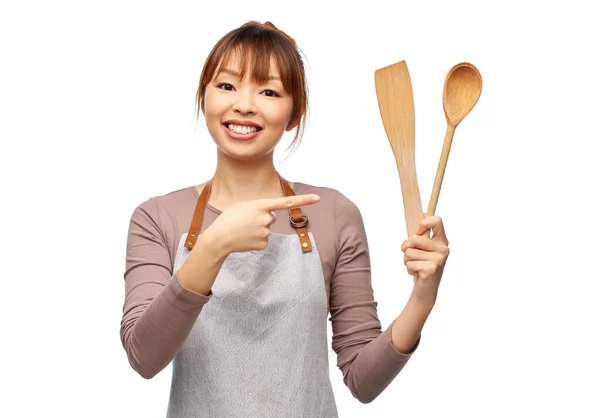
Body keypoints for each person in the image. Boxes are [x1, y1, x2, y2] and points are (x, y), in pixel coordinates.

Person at [120, 20, 450, 418]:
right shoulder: (157, 218)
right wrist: (213, 245)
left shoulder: (333, 214)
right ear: (203, 98)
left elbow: (363, 381)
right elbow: (144, 357)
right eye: (226, 85)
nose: (243, 104)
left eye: (269, 91)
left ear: (294, 114)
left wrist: (423, 298)